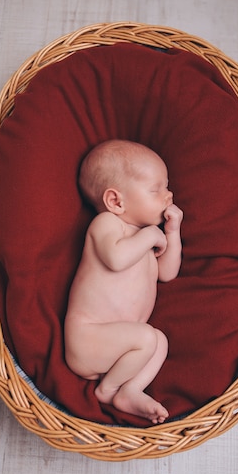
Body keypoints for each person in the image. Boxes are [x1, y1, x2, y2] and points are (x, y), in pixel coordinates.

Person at [64, 140, 183, 424]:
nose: (167, 195)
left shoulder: (144, 238)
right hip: (88, 338)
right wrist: (151, 236)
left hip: (119, 346)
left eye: (166, 187)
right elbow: (116, 259)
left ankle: (129, 390)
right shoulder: (107, 225)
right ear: (116, 201)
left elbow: (168, 273)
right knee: (145, 337)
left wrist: (172, 232)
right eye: (155, 189)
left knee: (158, 340)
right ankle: (106, 390)